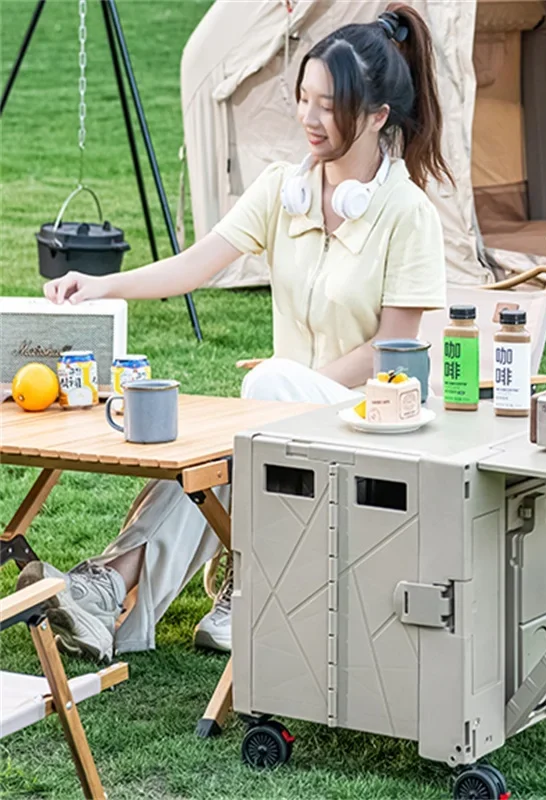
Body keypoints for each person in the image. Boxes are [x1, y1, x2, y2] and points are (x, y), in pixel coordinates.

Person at [17, 4, 450, 663]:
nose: (308, 117)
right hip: (281, 418)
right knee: (236, 428)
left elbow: (390, 351)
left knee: (255, 402)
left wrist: (275, 403)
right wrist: (101, 284)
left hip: (373, 421)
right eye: (302, 98)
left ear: (377, 115)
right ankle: (123, 598)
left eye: (328, 105)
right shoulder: (285, 190)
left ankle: (117, 587)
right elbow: (197, 263)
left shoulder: (407, 212)